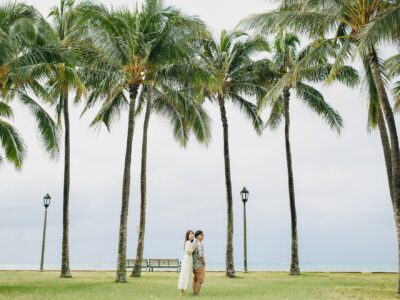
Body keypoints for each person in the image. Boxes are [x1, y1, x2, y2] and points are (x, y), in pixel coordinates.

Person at [177, 230, 197, 295]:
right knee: (184, 274)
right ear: (187, 236)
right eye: (190, 234)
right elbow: (189, 253)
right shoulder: (188, 242)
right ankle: (181, 292)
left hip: (188, 260)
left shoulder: (189, 243)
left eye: (192, 234)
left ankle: (182, 291)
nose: (192, 235)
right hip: (187, 260)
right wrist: (194, 248)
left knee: (185, 274)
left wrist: (193, 247)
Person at [192, 230, 205, 296]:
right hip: (199, 265)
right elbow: (201, 256)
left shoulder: (194, 243)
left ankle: (194, 293)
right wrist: (204, 263)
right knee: (200, 280)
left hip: (194, 265)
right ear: (197, 236)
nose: (203, 236)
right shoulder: (199, 244)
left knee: (195, 280)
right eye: (201, 235)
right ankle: (196, 295)